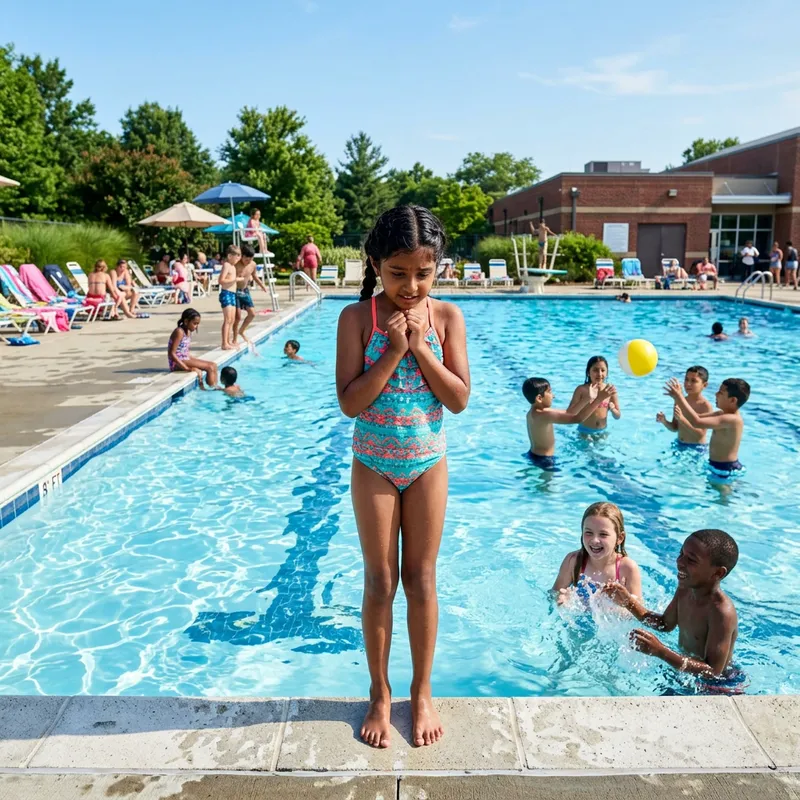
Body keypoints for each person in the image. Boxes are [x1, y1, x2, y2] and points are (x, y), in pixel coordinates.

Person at [335, 205, 470, 749]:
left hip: (426, 463)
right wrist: (392, 351)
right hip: (373, 463)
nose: (410, 286)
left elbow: (458, 399)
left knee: (421, 579)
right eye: (397, 273)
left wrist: (419, 346)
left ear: (438, 268)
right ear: (376, 264)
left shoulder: (447, 318)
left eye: (423, 273)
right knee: (380, 582)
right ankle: (379, 692)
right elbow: (350, 403)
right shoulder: (356, 319)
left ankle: (421, 692)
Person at [604, 529, 740, 684]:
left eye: (691, 560)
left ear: (718, 573)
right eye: (681, 554)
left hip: (718, 686)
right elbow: (664, 624)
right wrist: (629, 603)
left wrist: (661, 651)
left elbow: (714, 672)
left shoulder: (721, 612)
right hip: (685, 671)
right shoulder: (685, 588)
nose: (680, 562)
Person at [552, 502, 642, 606]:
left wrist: (622, 606)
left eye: (603, 534)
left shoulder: (627, 568)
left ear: (619, 538)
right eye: (589, 533)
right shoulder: (573, 561)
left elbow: (639, 614)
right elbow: (553, 594)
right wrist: (561, 599)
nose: (595, 540)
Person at [523, 377, 616, 470]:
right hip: (544, 460)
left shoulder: (535, 412)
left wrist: (587, 398)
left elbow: (569, 412)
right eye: (550, 392)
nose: (553, 396)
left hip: (533, 454)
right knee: (548, 484)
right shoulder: (545, 415)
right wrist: (599, 399)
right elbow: (578, 419)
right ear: (539, 398)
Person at [664, 377, 750, 477]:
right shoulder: (721, 414)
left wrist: (679, 397)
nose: (716, 394)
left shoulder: (732, 419)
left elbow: (697, 422)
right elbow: (696, 416)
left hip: (725, 468)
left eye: (720, 393)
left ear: (733, 400)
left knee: (725, 492)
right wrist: (678, 399)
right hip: (717, 465)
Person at [657, 366, 713, 449]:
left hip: (696, 447)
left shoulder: (705, 406)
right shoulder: (679, 400)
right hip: (679, 444)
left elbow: (700, 434)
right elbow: (675, 427)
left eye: (693, 381)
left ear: (704, 385)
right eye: (686, 379)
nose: (688, 384)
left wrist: (682, 419)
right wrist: (664, 421)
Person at [566, 356, 621, 435]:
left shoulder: (610, 390)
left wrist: (613, 410)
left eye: (603, 370)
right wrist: (585, 400)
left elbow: (617, 416)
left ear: (607, 372)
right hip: (585, 431)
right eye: (595, 370)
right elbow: (570, 413)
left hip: (602, 431)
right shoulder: (582, 390)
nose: (599, 374)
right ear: (588, 372)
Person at [167, 308, 218, 389]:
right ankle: (213, 389)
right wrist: (187, 368)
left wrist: (195, 360)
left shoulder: (188, 331)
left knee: (213, 365)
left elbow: (185, 350)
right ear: (186, 321)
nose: (196, 326)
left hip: (184, 358)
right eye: (194, 323)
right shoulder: (179, 331)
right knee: (209, 367)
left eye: (197, 324)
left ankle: (214, 386)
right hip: (176, 363)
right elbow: (172, 353)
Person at [233, 243, 271, 344]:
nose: (247, 262)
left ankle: (241, 331)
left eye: (250, 259)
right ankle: (234, 339)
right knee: (237, 317)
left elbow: (254, 276)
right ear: (242, 256)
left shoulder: (253, 264)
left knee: (252, 314)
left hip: (245, 291)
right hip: (235, 292)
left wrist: (262, 285)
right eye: (246, 259)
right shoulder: (236, 265)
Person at [218, 245, 240, 350]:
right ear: (230, 256)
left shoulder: (233, 267)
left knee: (231, 319)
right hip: (226, 293)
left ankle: (228, 341)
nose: (238, 258)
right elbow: (221, 281)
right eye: (237, 256)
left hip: (232, 294)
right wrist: (234, 280)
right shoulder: (226, 265)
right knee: (227, 319)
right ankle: (224, 343)